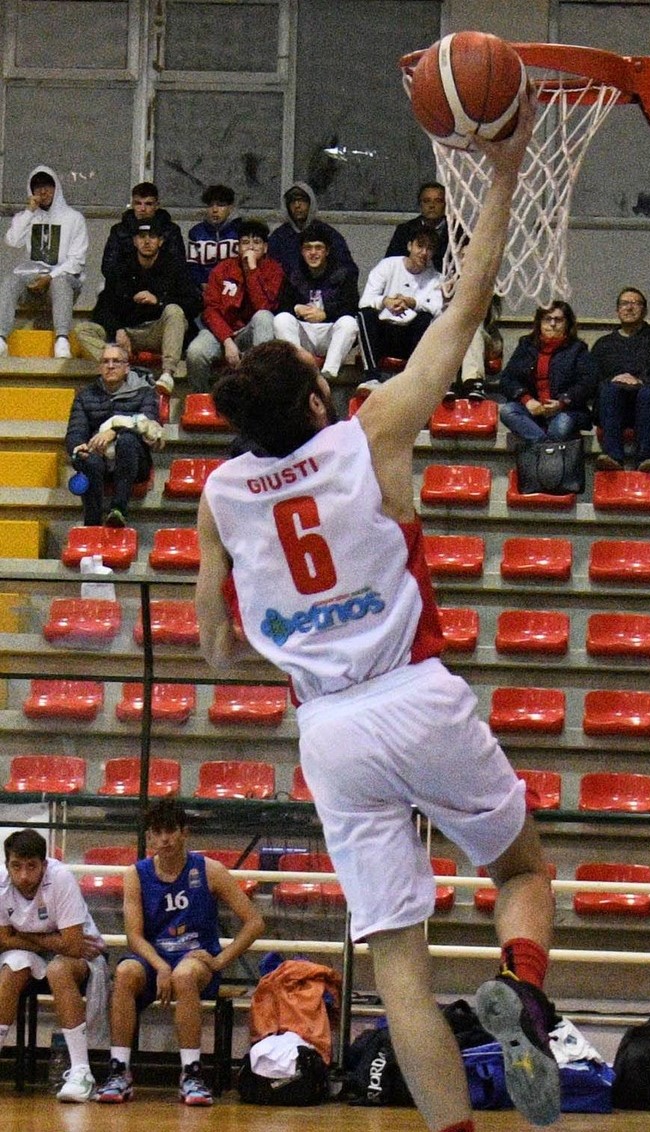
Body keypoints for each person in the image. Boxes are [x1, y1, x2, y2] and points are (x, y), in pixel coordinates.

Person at [196, 94, 560, 1132]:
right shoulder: (371, 431)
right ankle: (525, 998)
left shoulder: (220, 495)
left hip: (330, 728)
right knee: (522, 869)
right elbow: (470, 300)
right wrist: (502, 173)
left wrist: (289, 641)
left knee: (397, 963)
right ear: (316, 398)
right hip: (415, 688)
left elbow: (215, 644)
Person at [94, 799, 264, 1106]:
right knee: (124, 972)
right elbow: (134, 936)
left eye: (170, 830)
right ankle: (119, 1070)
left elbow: (255, 922)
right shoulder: (136, 874)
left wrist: (220, 960)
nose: (164, 839)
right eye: (157, 832)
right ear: (148, 837)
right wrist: (160, 966)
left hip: (195, 959)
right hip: (154, 958)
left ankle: (191, 1074)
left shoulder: (209, 870)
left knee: (185, 975)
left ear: (184, 833)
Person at [0, 829, 106, 1104]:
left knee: (58, 969)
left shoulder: (60, 878)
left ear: (44, 865)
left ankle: (82, 1071)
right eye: (16, 866)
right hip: (36, 951)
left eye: (31, 866)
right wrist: (45, 940)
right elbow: (2, 940)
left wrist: (21, 935)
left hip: (84, 956)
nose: (24, 875)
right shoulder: (1, 884)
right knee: (11, 969)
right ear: (7, 865)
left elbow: (73, 946)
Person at [89, 219, 202, 394]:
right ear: (134, 241)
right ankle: (119, 365)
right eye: (142, 237)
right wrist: (118, 329)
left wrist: (159, 301)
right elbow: (102, 308)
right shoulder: (121, 268)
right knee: (84, 330)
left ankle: (167, 374)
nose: (147, 241)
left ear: (161, 241)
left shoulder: (175, 266)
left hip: (161, 331)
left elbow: (195, 303)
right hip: (129, 334)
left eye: (152, 236)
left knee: (174, 310)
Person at [65, 342, 164, 528]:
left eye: (116, 361)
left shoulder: (145, 392)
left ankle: (118, 510)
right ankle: (92, 524)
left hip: (134, 461)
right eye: (105, 361)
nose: (110, 366)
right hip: (98, 457)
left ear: (127, 368)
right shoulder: (85, 396)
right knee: (88, 460)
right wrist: (78, 447)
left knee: (127, 441)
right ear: (100, 367)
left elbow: (148, 424)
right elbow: (75, 431)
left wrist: (114, 431)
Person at [0, 165, 89, 359]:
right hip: (32, 279)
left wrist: (49, 277)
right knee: (9, 281)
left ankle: (62, 339)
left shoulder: (74, 219)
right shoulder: (27, 217)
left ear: (56, 187)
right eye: (37, 187)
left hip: (62, 283)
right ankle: (1, 338)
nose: (43, 191)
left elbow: (76, 261)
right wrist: (29, 212)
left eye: (48, 185)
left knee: (61, 281)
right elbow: (13, 241)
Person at [591, 287, 650, 473]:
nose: (630, 308)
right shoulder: (603, 344)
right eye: (624, 304)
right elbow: (590, 381)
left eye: (636, 303)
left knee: (647, 393)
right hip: (614, 409)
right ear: (617, 311)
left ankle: (645, 459)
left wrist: (641, 381)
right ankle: (613, 457)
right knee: (610, 390)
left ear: (645, 310)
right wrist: (615, 380)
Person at [185, 218, 283, 392]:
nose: (251, 247)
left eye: (257, 242)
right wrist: (227, 340)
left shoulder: (273, 270)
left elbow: (264, 306)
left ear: (265, 248)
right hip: (221, 332)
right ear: (238, 247)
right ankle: (202, 399)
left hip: (251, 332)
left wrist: (252, 270)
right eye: (245, 242)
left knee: (264, 317)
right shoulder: (223, 269)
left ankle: (260, 392)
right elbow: (210, 309)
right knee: (196, 352)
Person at [497, 300, 596, 444]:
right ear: (539, 323)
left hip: (565, 410)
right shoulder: (526, 346)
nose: (553, 324)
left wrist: (562, 402)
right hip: (533, 410)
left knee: (561, 426)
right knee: (508, 411)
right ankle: (546, 445)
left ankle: (541, 448)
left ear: (567, 323)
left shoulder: (577, 349)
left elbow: (588, 383)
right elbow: (507, 379)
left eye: (558, 319)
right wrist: (527, 400)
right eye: (547, 319)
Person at [357, 229, 445, 388]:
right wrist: (386, 301)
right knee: (365, 314)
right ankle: (371, 377)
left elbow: (438, 310)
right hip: (384, 332)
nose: (424, 252)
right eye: (420, 246)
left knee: (426, 317)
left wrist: (413, 303)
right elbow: (365, 301)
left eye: (429, 248)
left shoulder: (437, 279)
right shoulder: (388, 265)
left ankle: (414, 380)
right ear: (410, 245)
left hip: (411, 337)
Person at [272, 223, 360, 381]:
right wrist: (296, 308)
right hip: (304, 335)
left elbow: (352, 307)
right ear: (301, 251)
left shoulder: (343, 274)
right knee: (281, 319)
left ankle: (329, 373)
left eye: (318, 248)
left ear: (327, 251)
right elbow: (281, 307)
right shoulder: (294, 274)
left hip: (329, 333)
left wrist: (325, 314)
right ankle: (299, 369)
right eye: (308, 248)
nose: (313, 253)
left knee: (349, 323)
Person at [99, 181, 186, 282]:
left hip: (162, 283)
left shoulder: (170, 230)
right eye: (138, 203)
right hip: (126, 283)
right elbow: (108, 267)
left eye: (148, 204)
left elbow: (178, 265)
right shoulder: (119, 230)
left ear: (157, 205)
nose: (142, 209)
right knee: (103, 289)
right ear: (132, 204)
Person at [268, 182, 356, 278]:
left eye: (302, 200)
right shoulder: (279, 236)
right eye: (292, 202)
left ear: (311, 203)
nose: (297, 205)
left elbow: (348, 269)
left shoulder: (328, 234)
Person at [386, 181, 459, 269]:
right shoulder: (405, 230)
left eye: (438, 201)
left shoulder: (457, 232)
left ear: (446, 204)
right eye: (426, 201)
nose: (432, 205)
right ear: (420, 204)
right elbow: (391, 263)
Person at [185, 184, 240, 292]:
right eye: (210, 205)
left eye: (220, 205)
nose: (214, 210)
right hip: (204, 290)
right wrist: (202, 282)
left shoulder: (240, 232)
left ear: (230, 208)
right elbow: (192, 265)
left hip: (235, 289)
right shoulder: (196, 233)